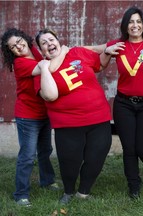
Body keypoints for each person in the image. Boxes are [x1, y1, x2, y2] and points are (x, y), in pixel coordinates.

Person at [35, 28, 116, 204]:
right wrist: (45, 68)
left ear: (58, 41)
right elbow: (49, 95)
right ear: (41, 51)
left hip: (99, 117)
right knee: (69, 161)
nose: (49, 44)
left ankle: (84, 192)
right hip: (68, 123)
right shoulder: (40, 71)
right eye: (44, 43)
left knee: (97, 155)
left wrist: (107, 53)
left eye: (51, 40)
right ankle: (69, 191)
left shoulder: (77, 52)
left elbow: (99, 64)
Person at [90, 6, 143, 199]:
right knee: (129, 149)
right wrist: (107, 49)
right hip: (124, 105)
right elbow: (92, 50)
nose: (135, 25)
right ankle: (134, 186)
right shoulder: (118, 45)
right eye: (131, 21)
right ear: (125, 25)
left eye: (138, 21)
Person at [0, 28, 66, 207]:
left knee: (45, 150)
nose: (19, 46)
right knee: (27, 156)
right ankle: (21, 194)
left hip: (44, 112)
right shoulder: (20, 63)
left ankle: (47, 180)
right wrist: (65, 51)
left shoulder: (35, 51)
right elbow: (49, 66)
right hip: (27, 117)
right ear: (10, 51)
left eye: (19, 41)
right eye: (13, 46)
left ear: (25, 39)